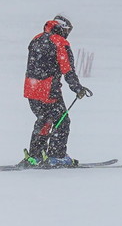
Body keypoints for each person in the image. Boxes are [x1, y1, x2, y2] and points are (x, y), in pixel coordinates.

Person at [22, 14, 92, 167]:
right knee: (62, 121)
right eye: (67, 30)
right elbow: (67, 70)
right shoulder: (60, 42)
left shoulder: (37, 39)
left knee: (44, 120)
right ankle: (56, 156)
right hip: (48, 90)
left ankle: (35, 155)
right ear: (61, 28)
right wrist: (77, 88)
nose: (68, 33)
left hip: (31, 88)